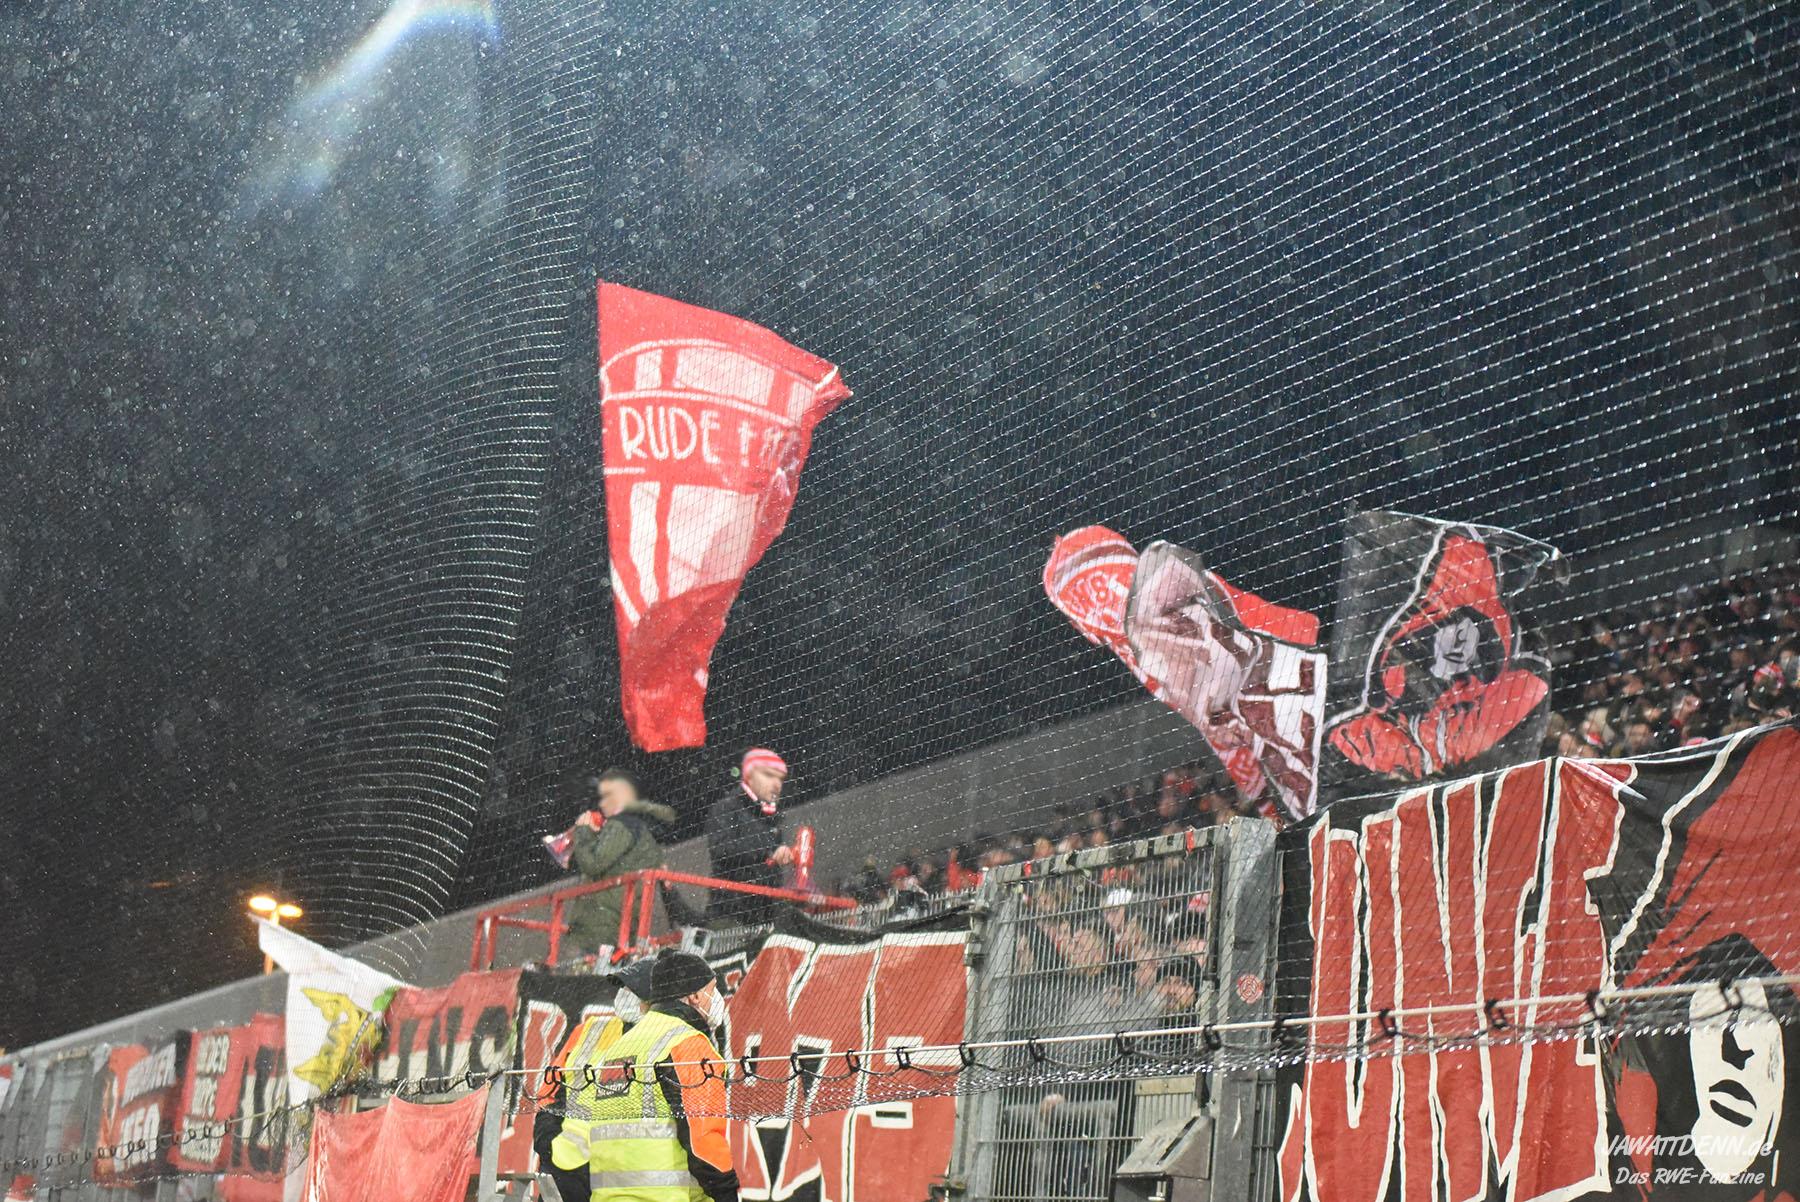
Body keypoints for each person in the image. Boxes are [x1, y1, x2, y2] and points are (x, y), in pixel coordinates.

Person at [555, 949, 739, 1202]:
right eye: (712, 989)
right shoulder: (688, 1043)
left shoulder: (621, 1046)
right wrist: (727, 1193)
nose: (716, 998)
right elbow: (703, 1143)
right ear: (695, 996)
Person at [539, 958, 656, 1202]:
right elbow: (550, 1092)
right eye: (622, 988)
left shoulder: (662, 1039)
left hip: (622, 1174)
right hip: (568, 1169)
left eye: (632, 989)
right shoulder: (590, 1030)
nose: (624, 995)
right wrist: (547, 1142)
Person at [566, 770, 677, 958]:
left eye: (607, 796)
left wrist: (583, 832)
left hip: (603, 924)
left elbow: (593, 865)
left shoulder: (621, 825)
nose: (602, 803)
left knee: (588, 969)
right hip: (622, 924)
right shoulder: (640, 829)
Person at [704, 749, 793, 927]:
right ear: (749, 776)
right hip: (731, 914)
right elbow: (721, 848)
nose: (777, 784)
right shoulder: (726, 807)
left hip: (764, 915)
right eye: (768, 775)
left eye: (780, 779)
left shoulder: (771, 818)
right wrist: (768, 852)